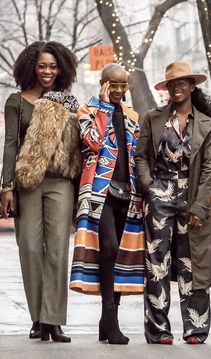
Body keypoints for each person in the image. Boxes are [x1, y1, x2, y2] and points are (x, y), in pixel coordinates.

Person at [0, 41, 81, 342]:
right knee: (31, 249)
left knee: (57, 250)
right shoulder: (16, 101)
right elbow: (10, 145)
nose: (47, 71)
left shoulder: (68, 103)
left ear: (61, 69)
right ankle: (37, 317)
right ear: (31, 67)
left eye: (53, 66)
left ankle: (53, 320)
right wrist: (6, 187)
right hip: (28, 182)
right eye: (42, 65)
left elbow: (77, 147)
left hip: (60, 182)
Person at [135, 61, 211, 345]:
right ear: (167, 88)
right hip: (160, 192)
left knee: (192, 262)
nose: (177, 87)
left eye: (183, 82)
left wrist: (199, 206)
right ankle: (158, 329)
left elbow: (209, 169)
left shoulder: (206, 123)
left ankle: (195, 328)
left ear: (192, 85)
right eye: (172, 83)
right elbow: (141, 155)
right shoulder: (153, 118)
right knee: (157, 262)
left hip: (193, 195)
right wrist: (149, 188)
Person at [69, 63, 145, 345]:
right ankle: (110, 318)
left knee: (121, 254)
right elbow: (93, 142)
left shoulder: (132, 115)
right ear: (103, 83)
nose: (119, 90)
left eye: (123, 85)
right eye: (113, 85)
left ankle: (108, 322)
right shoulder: (87, 111)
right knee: (109, 248)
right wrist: (102, 107)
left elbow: (137, 154)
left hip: (130, 193)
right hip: (100, 193)